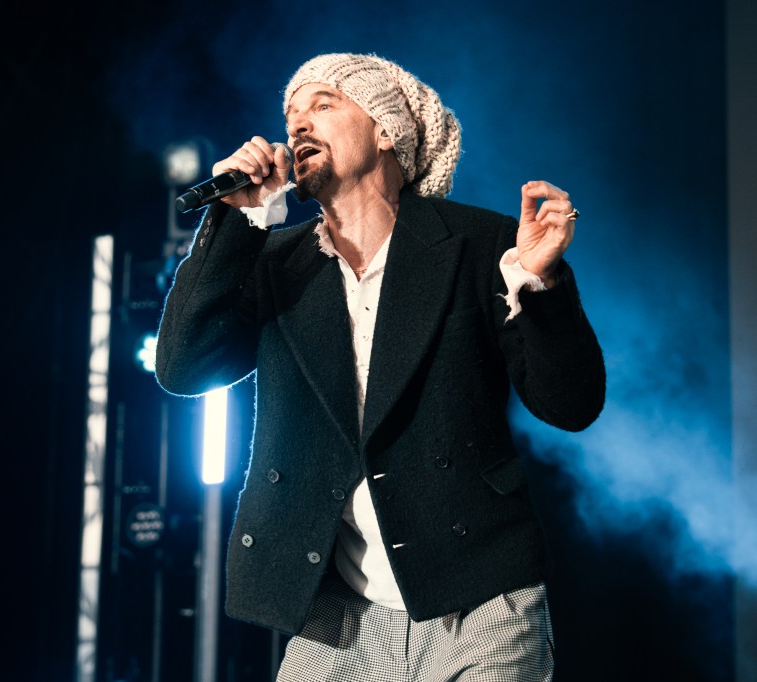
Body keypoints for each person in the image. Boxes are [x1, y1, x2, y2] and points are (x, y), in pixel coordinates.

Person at [155, 53, 605, 681]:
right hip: (339, 615)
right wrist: (236, 218)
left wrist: (540, 283)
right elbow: (183, 367)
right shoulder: (277, 264)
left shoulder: (478, 245)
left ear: (386, 131)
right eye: (291, 115)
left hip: (478, 596)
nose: (298, 124)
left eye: (323, 105)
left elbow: (570, 404)